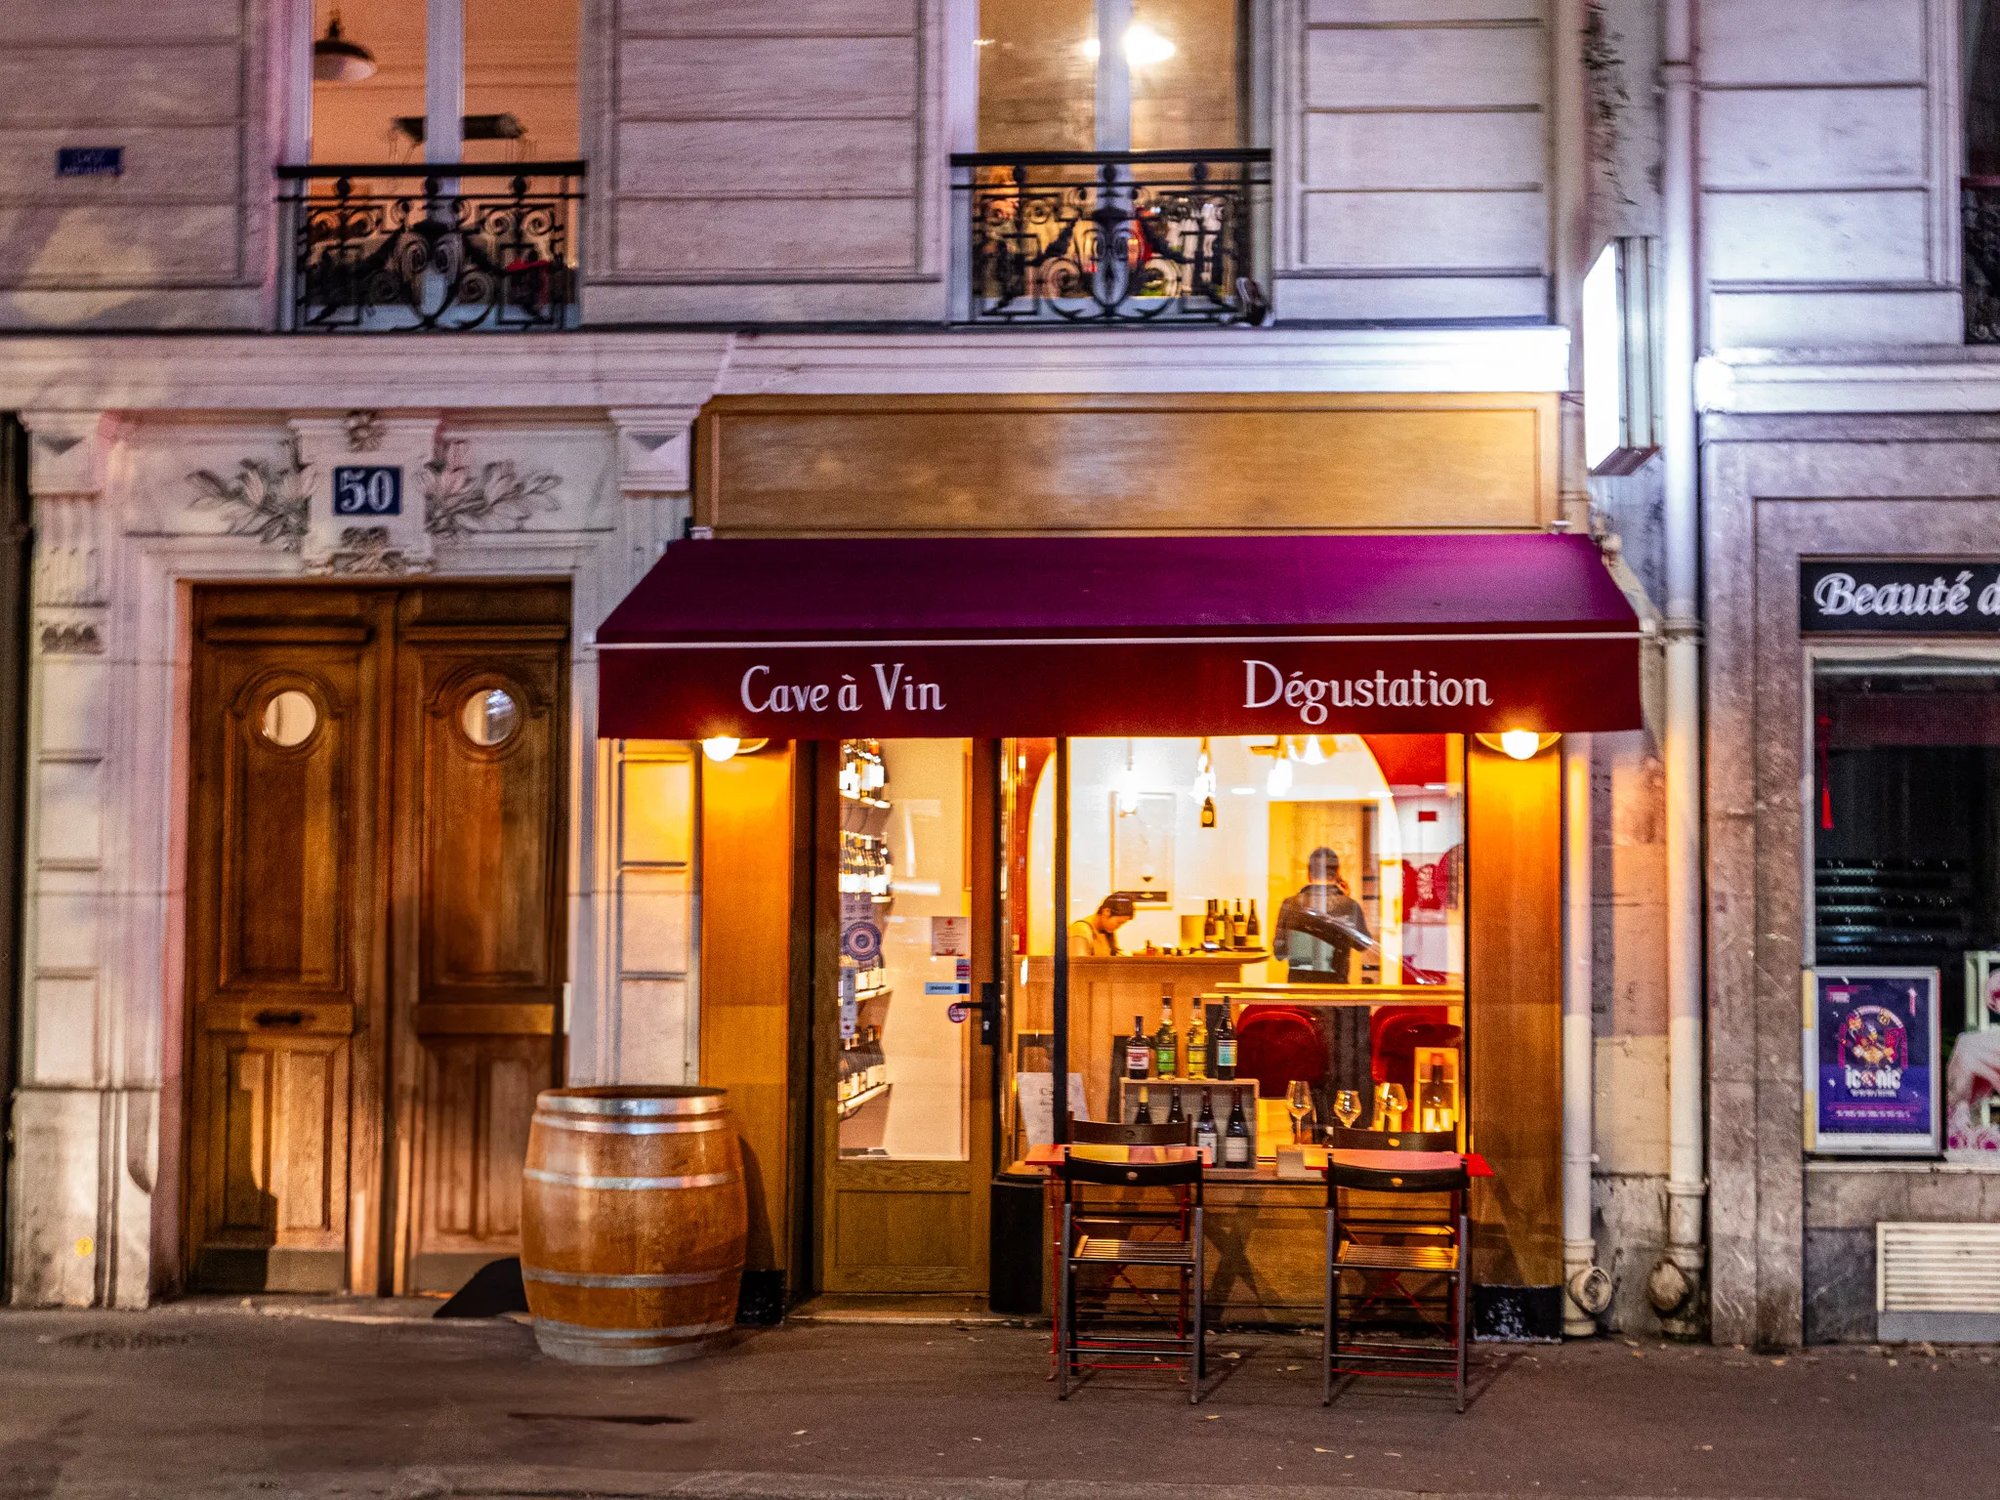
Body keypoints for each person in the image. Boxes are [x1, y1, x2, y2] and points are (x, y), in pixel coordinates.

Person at [1274, 847, 1375, 984]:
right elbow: (1362, 945)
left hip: (1299, 990)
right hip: (1335, 991)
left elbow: (1279, 953)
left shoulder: (1290, 904)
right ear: (1337, 873)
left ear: (1309, 874)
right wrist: (1347, 905)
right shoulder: (1349, 905)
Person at [1068, 892, 1135, 957]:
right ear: (1106, 912)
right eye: (1119, 922)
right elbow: (1079, 963)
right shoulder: (1081, 930)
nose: (1119, 927)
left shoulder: (1105, 931)